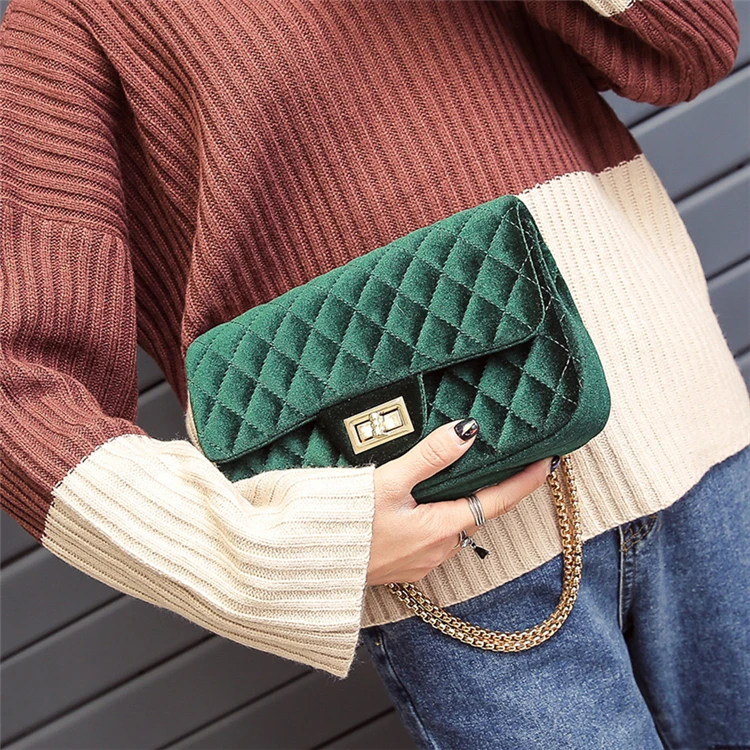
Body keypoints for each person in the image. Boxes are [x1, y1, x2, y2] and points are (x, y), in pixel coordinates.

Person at [1, 1, 748, 748]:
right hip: (462, 570)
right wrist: (279, 554)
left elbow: (691, 44)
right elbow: (20, 383)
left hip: (700, 449)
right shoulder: (66, 26)